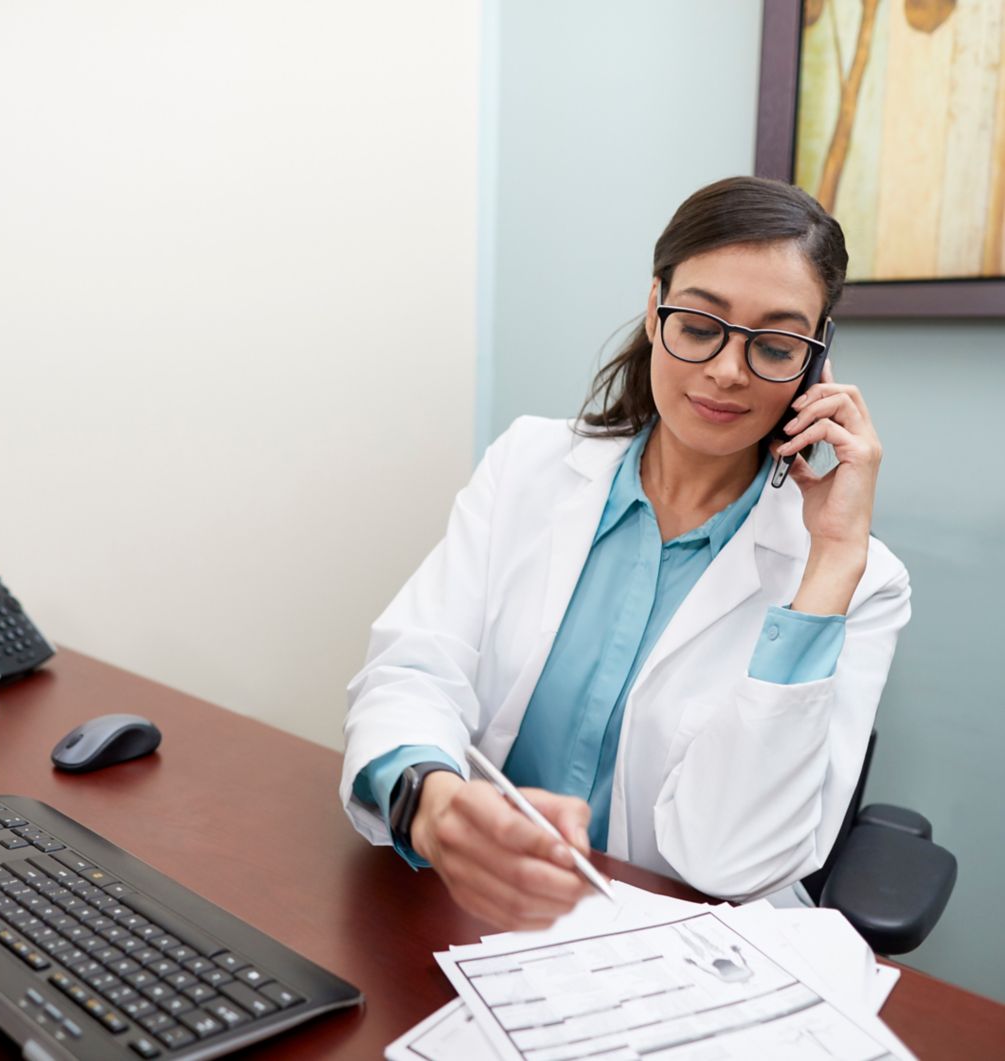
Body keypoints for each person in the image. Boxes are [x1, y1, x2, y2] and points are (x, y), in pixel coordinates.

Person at [340, 176, 910, 931]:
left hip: (685, 950)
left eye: (774, 344)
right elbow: (413, 669)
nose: (728, 370)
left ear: (815, 359)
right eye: (700, 324)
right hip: (475, 915)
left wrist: (833, 560)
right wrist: (429, 799)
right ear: (653, 309)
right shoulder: (528, 464)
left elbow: (728, 862)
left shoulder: (857, 581)